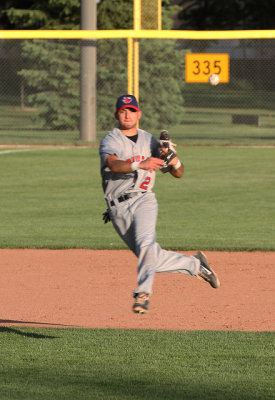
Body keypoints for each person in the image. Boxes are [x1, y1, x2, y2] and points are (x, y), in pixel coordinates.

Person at [99, 94, 220, 314]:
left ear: (139, 114)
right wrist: (140, 163)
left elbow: (179, 173)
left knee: (146, 245)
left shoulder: (150, 141)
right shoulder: (111, 139)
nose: (127, 114)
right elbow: (114, 165)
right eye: (123, 111)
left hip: (144, 199)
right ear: (117, 114)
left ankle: (142, 294)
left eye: (131, 110)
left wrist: (174, 160)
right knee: (150, 256)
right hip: (117, 209)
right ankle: (195, 265)